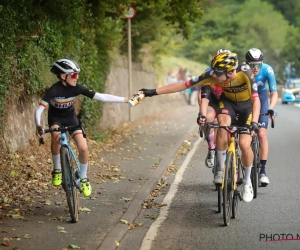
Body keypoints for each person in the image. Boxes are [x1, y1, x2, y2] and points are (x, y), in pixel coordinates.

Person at [137, 52, 260, 203]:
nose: (213, 75)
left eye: (218, 73)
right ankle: (221, 169)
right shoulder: (212, 74)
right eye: (213, 71)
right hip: (228, 104)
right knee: (222, 125)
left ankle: (247, 182)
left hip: (247, 106)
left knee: (244, 144)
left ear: (230, 72)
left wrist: (254, 122)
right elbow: (183, 85)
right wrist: (152, 92)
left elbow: (256, 100)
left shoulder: (245, 72)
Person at [35, 58, 129, 197]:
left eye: (77, 74)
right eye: (73, 75)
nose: (76, 77)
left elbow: (102, 97)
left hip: (71, 119)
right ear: (63, 76)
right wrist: (38, 126)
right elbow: (39, 110)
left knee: (84, 148)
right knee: (56, 139)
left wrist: (126, 100)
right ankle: (57, 170)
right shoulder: (54, 90)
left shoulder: (77, 88)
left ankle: (83, 178)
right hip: (56, 119)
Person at [245, 48, 278, 187]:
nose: (255, 68)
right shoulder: (242, 70)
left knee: (262, 135)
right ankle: (245, 166)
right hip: (248, 100)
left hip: (263, 99)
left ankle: (263, 172)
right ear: (247, 64)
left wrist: (271, 107)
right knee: (245, 135)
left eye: (258, 64)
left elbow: (274, 92)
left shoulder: (267, 70)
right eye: (252, 65)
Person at [197, 49, 230, 168]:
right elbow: (202, 96)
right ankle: (211, 149)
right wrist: (202, 113)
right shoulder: (209, 73)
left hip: (228, 102)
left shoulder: (232, 74)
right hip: (213, 100)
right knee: (208, 117)